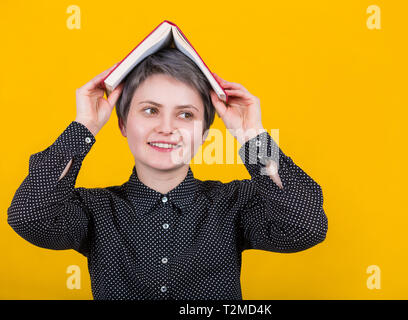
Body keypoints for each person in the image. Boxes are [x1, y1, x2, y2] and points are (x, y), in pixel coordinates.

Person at [7, 48, 328, 300]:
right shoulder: (96, 209)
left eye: (186, 114)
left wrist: (253, 137)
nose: (166, 128)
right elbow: (28, 216)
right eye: (150, 110)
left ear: (204, 133)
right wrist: (84, 127)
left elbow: (306, 225)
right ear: (122, 124)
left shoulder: (234, 204)